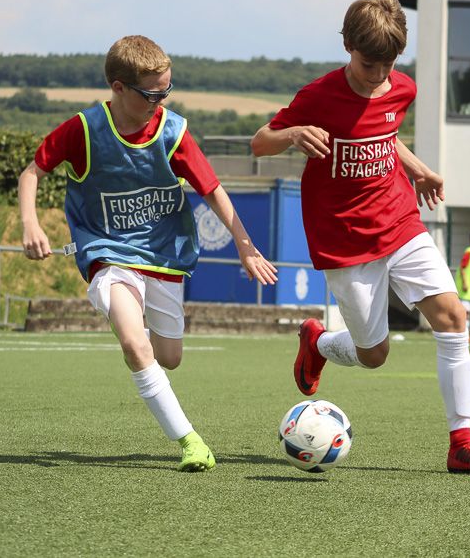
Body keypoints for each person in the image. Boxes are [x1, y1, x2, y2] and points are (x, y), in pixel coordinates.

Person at [250, 0, 470, 475]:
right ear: (347, 45)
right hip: (345, 238)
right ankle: (319, 343)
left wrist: (418, 169)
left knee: (453, 317)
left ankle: (462, 443)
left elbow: (384, 137)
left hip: (399, 219)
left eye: (388, 64)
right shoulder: (319, 96)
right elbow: (259, 142)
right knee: (374, 355)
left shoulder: (402, 88)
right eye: (369, 64)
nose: (379, 75)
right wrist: (292, 134)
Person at [18, 35, 278, 472]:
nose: (160, 102)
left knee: (169, 357)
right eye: (151, 94)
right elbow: (32, 172)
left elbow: (212, 190)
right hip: (108, 254)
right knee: (134, 344)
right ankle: (190, 441)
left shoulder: (172, 131)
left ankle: (149, 362)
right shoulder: (84, 130)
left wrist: (244, 244)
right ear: (118, 88)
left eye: (166, 91)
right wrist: (31, 223)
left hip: (162, 256)